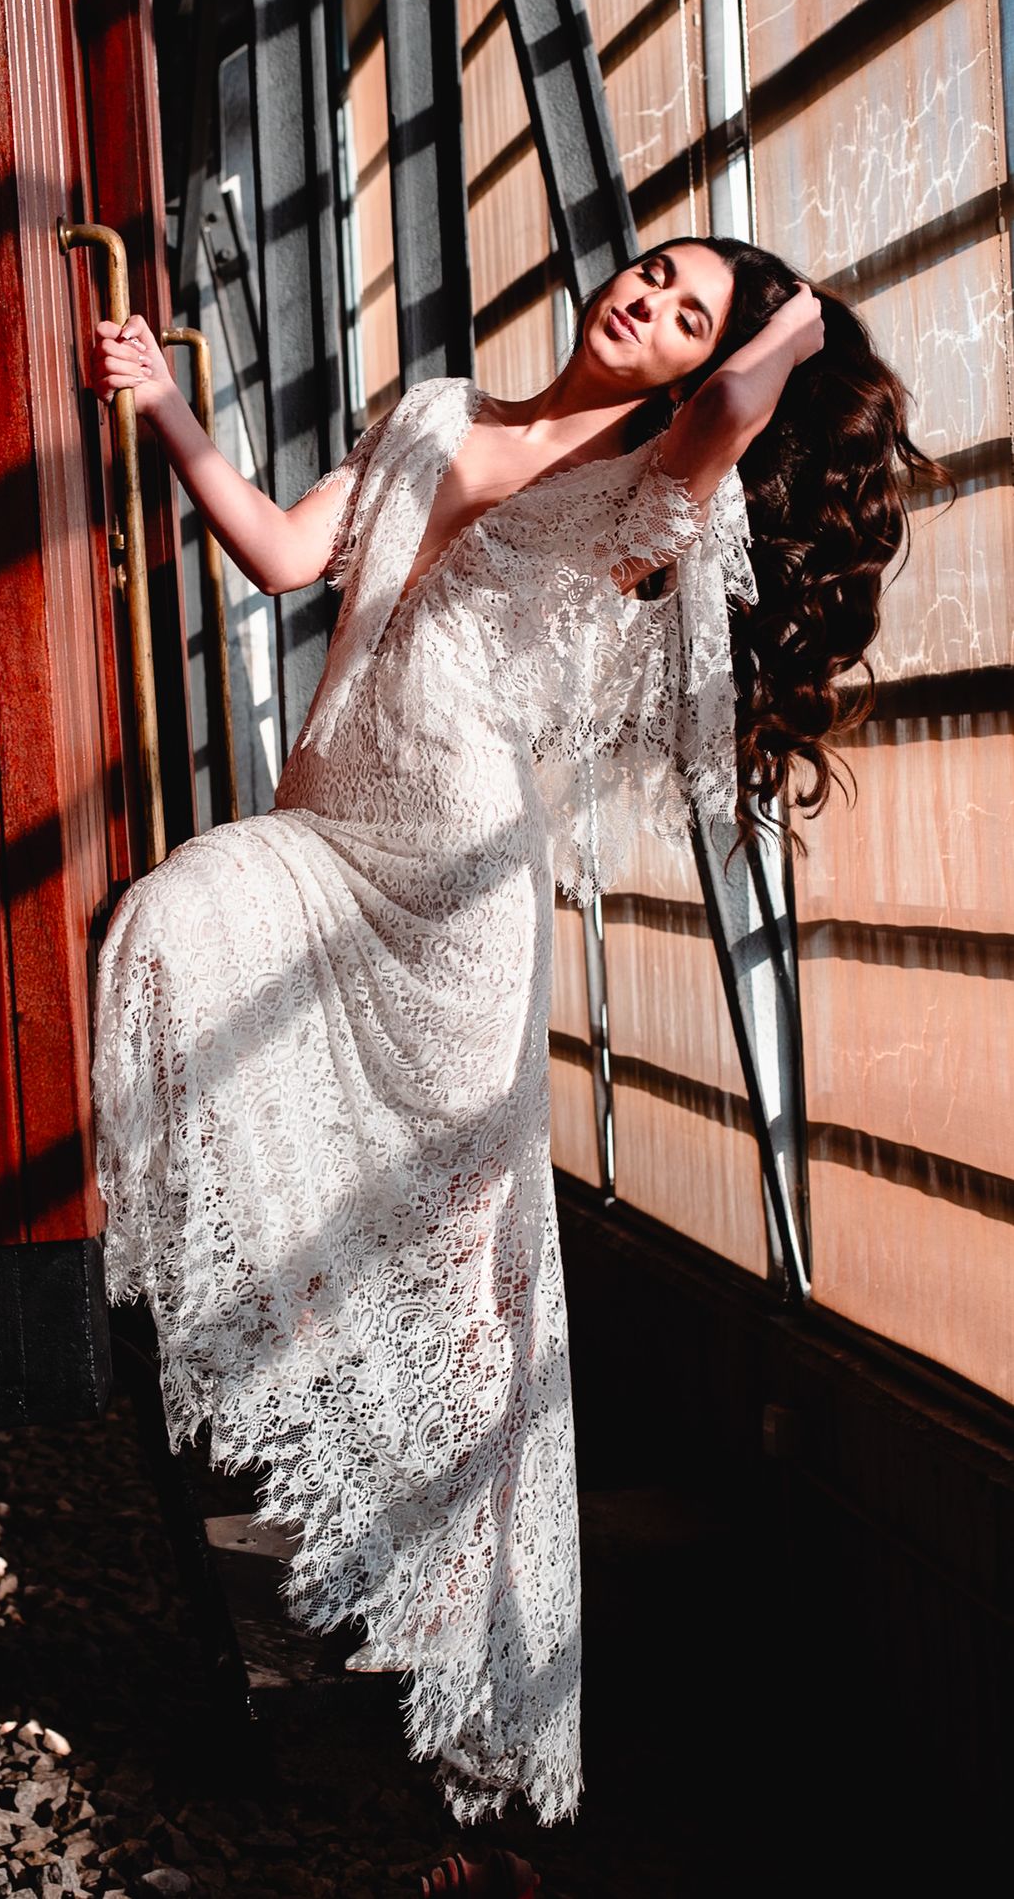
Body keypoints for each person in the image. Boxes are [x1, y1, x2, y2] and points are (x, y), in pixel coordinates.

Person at [87, 239, 942, 1892]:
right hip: (322, 838)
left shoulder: (656, 484)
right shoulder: (431, 415)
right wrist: (169, 407)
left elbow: (748, 400)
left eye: (693, 315)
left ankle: (473, 1743)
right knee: (165, 929)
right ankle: (288, 1392)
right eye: (657, 274)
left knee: (474, 1312)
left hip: (458, 914)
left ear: (706, 370)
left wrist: (794, 326)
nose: (652, 303)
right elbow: (277, 556)